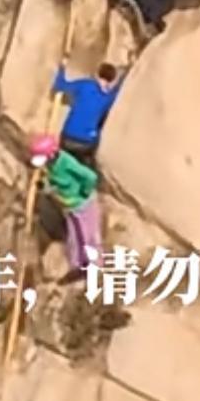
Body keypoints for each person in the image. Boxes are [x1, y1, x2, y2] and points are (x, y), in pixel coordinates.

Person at [41, 144, 103, 281]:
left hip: (83, 205)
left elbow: (90, 177)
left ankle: (94, 269)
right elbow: (52, 183)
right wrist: (46, 187)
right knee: (74, 238)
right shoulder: (51, 166)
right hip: (70, 208)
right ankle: (78, 266)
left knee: (88, 236)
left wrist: (84, 192)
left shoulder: (67, 163)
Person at [53, 62, 123, 160]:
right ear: (111, 80)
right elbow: (118, 89)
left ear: (98, 74)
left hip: (69, 137)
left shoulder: (85, 85)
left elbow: (60, 86)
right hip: (87, 144)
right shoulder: (109, 98)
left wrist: (62, 68)